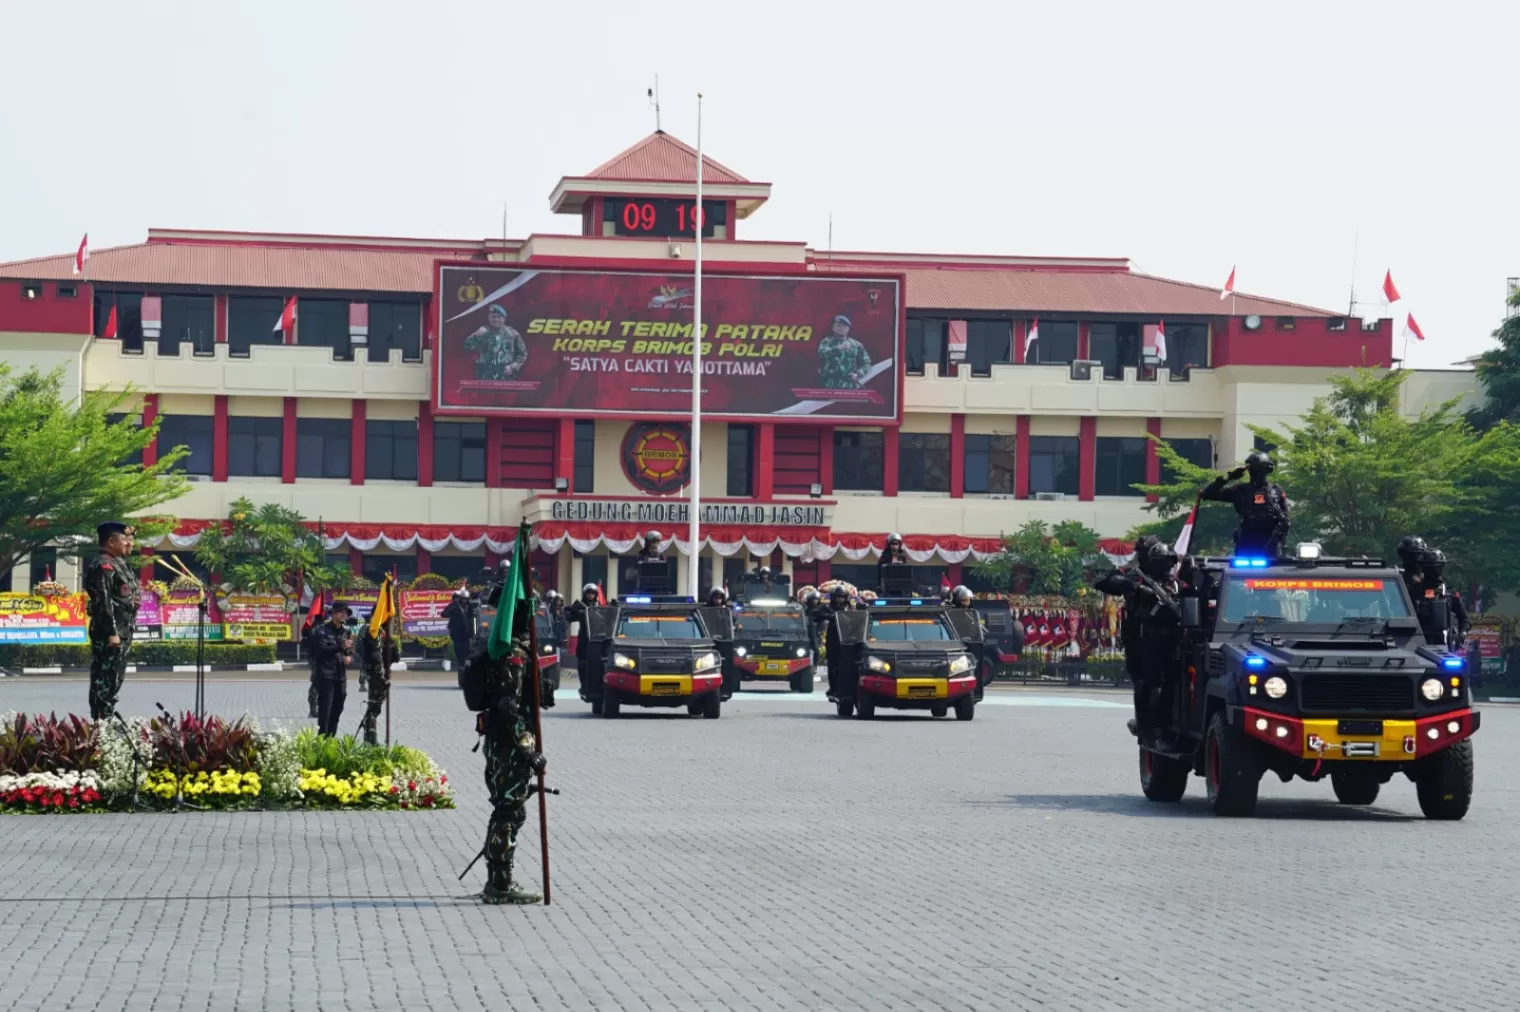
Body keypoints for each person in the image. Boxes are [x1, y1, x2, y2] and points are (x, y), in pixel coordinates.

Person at [478, 620, 547, 905]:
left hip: (500, 745)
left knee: (507, 813)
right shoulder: (513, 654)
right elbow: (511, 710)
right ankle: (501, 886)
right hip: (509, 749)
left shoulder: (506, 648)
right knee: (508, 814)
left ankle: (497, 880)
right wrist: (529, 752)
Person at [1093, 535, 1160, 742]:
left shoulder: (1172, 577)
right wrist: (1136, 588)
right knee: (1141, 682)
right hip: (1139, 639)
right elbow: (1102, 581)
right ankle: (1144, 723)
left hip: (1166, 639)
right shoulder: (1135, 576)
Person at [85, 521, 141, 721]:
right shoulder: (103, 565)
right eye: (124, 540)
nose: (129, 544)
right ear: (111, 541)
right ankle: (101, 722)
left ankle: (106, 718)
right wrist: (112, 633)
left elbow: (122, 595)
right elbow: (103, 600)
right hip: (110, 633)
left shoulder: (119, 563)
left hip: (123, 630)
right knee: (105, 679)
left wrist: (130, 601)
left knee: (114, 679)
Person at [1200, 450, 1290, 557]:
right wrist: (1229, 477)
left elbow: (1286, 520)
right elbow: (1206, 494)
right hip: (1247, 543)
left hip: (1271, 544)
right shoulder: (1240, 490)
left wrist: (1282, 535)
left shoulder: (1277, 491)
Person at [310, 604, 353, 737]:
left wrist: (349, 658)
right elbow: (320, 652)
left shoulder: (346, 632)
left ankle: (331, 740)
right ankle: (322, 742)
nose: (343, 615)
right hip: (326, 675)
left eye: (345, 612)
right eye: (341, 612)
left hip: (340, 676)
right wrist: (340, 646)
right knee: (325, 713)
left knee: (337, 710)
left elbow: (349, 651)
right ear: (333, 613)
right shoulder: (322, 631)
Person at [357, 621, 399, 746]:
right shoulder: (374, 629)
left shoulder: (374, 629)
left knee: (373, 706)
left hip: (373, 673)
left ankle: (370, 738)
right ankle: (370, 739)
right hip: (376, 675)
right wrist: (381, 678)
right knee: (374, 708)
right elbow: (375, 656)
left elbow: (394, 655)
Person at [464, 303, 528, 381]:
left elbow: (522, 355)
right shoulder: (483, 332)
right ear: (489, 318)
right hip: (485, 377)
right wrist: (476, 335)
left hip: (506, 377)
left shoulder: (513, 334)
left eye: (499, 317)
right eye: (493, 317)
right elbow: (466, 347)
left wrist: (512, 367)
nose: (496, 320)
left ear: (504, 319)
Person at [565, 583, 603, 701]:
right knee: (582, 663)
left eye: (593, 593)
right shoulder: (580, 606)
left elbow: (606, 620)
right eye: (588, 593)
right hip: (584, 639)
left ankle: (599, 687)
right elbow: (569, 618)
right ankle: (584, 686)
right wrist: (572, 611)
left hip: (597, 638)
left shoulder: (599, 606)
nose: (591, 595)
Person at [818, 314, 873, 390]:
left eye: (844, 326)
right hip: (831, 383)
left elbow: (867, 363)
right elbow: (822, 354)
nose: (841, 328)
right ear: (833, 328)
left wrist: (858, 374)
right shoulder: (827, 342)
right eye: (838, 325)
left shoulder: (856, 344)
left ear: (848, 329)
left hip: (850, 383)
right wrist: (838, 349)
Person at [822, 585, 856, 702]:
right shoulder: (829, 608)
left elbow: (859, 616)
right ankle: (833, 689)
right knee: (833, 666)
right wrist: (826, 615)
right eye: (837, 597)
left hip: (848, 640)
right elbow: (817, 613)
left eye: (842, 597)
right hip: (833, 642)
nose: (839, 599)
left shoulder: (850, 608)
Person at [442, 588, 476, 670]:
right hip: (457, 632)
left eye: (466, 599)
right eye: (462, 599)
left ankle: (467, 664)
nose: (464, 601)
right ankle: (461, 665)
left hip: (467, 633)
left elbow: (474, 616)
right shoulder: (454, 606)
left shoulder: (470, 607)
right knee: (458, 649)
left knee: (467, 650)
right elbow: (444, 614)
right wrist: (454, 607)